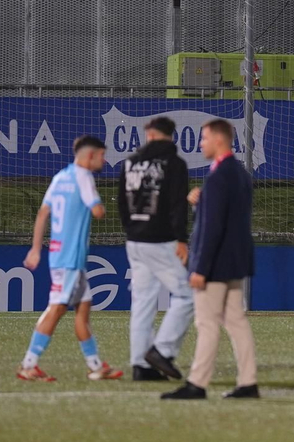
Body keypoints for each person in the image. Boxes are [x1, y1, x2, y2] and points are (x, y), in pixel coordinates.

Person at [162, 119, 258, 399]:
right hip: (235, 261)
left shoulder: (218, 177)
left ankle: (197, 384)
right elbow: (228, 218)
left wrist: (200, 267)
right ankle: (248, 382)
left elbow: (212, 227)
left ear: (218, 140)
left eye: (203, 138)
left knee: (206, 323)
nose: (200, 143)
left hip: (215, 264)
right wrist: (202, 203)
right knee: (236, 322)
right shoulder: (239, 173)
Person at [18, 135, 120, 382]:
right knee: (57, 308)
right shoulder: (83, 177)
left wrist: (35, 248)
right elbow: (97, 211)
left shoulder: (60, 177)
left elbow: (43, 213)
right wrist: (100, 206)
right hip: (70, 257)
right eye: (102, 155)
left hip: (61, 254)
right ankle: (28, 364)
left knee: (83, 308)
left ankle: (96, 365)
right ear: (90, 156)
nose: (104, 161)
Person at [117, 116, 195, 382]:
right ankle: (161, 350)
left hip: (134, 239)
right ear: (172, 136)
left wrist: (130, 228)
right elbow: (177, 205)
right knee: (187, 296)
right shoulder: (174, 163)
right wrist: (181, 239)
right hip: (161, 240)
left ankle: (140, 365)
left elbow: (121, 203)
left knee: (142, 302)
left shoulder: (129, 162)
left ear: (149, 134)